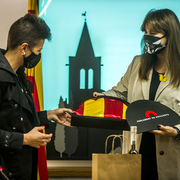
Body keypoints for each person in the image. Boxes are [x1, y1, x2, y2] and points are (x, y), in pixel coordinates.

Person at [93, 9, 180, 180]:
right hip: (136, 151)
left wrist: (177, 132)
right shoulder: (137, 63)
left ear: (170, 35)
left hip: (172, 155)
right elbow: (120, 93)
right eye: (145, 32)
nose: (147, 37)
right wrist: (102, 97)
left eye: (153, 33)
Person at [0, 14, 73, 180]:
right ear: (24, 47)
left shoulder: (20, 76)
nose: (39, 56)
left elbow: (16, 120)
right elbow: (18, 132)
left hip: (21, 170)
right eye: (38, 51)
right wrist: (24, 139)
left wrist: (48, 115)